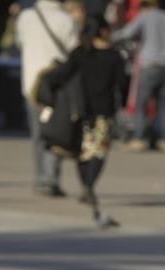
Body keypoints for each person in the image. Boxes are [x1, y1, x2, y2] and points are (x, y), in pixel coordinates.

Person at [43, 15, 126, 228]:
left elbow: (59, 75)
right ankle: (89, 186)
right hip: (103, 112)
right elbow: (122, 85)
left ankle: (85, 186)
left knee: (82, 151)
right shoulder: (114, 56)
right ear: (104, 31)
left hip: (78, 111)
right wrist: (122, 105)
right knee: (97, 152)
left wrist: (51, 92)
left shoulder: (79, 53)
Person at [17, 0, 83, 197]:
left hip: (31, 84)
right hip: (57, 85)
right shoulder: (66, 20)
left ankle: (41, 177)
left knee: (37, 133)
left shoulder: (25, 17)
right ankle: (50, 178)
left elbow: (21, 43)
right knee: (56, 132)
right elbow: (74, 52)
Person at [111, 0, 165, 151]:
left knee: (142, 104)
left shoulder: (144, 17)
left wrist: (112, 37)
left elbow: (126, 33)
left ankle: (139, 139)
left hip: (149, 64)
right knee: (164, 104)